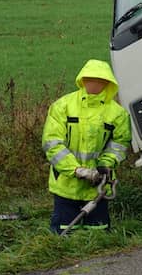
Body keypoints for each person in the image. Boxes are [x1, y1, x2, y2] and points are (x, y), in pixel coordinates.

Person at [41, 59, 131, 233]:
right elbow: (52, 144)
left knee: (99, 236)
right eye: (90, 79)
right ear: (82, 80)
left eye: (100, 80)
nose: (94, 84)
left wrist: (105, 165)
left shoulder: (117, 114)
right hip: (66, 186)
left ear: (107, 83)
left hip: (98, 187)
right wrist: (76, 170)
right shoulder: (62, 106)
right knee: (64, 234)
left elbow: (120, 144)